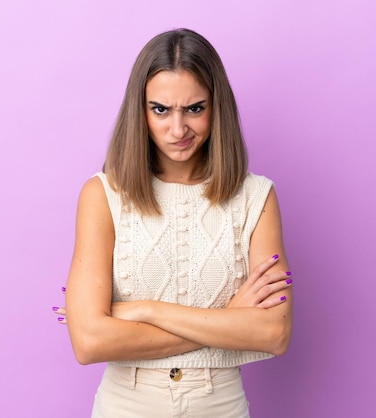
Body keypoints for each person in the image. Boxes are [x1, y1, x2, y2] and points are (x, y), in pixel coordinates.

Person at [52, 28, 293, 417]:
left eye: (195, 108)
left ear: (217, 108)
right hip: (125, 406)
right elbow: (89, 341)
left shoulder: (256, 198)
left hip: (220, 407)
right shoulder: (103, 196)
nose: (178, 130)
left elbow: (273, 334)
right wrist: (229, 323)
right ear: (141, 110)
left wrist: (142, 310)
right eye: (161, 109)